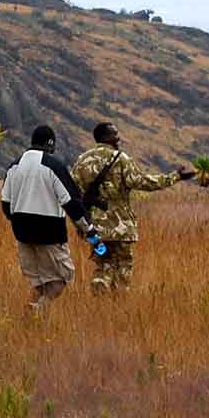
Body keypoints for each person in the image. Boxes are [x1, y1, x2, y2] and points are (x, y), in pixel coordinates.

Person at [71, 122, 195, 293]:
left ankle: (100, 289)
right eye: (115, 134)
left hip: (94, 229)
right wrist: (175, 177)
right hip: (122, 228)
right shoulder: (121, 159)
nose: (118, 137)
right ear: (106, 137)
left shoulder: (82, 161)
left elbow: (72, 193)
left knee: (102, 262)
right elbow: (144, 182)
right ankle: (119, 302)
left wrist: (80, 223)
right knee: (123, 265)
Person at [0, 126, 96, 308]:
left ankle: (35, 324)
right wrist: (88, 229)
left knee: (40, 283)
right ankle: (37, 310)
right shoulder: (53, 165)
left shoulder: (14, 165)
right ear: (50, 144)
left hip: (21, 232)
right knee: (60, 280)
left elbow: (5, 203)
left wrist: (19, 221)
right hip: (49, 232)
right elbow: (71, 202)